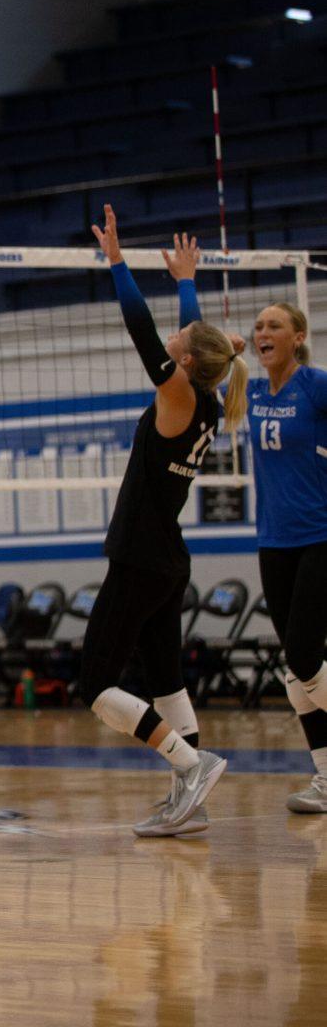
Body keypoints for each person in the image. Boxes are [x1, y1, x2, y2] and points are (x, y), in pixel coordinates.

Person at [79, 210, 246, 837]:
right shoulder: (201, 394)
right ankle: (190, 801)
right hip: (165, 558)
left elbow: (145, 332)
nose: (175, 343)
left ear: (185, 361)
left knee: (95, 683)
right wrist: (184, 280)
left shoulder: (178, 394)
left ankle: (190, 762)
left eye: (182, 344)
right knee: (166, 679)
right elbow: (191, 337)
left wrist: (117, 261)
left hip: (143, 558)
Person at [239, 296, 327, 812]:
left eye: (274, 325)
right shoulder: (248, 391)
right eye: (258, 326)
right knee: (297, 674)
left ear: (298, 337)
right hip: (273, 543)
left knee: (302, 657)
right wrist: (186, 285)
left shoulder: (314, 385)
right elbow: (194, 356)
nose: (262, 332)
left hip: (319, 538)